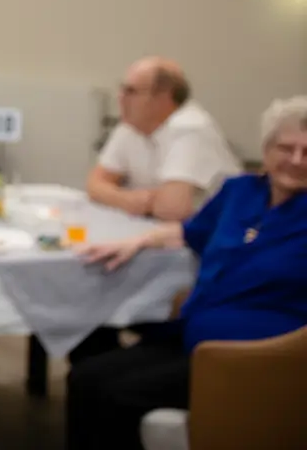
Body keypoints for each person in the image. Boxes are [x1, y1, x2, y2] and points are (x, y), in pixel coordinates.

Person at [69, 96, 307, 450]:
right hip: (193, 336)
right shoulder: (239, 191)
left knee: (119, 397)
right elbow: (189, 230)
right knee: (86, 378)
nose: (297, 160)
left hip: (257, 361)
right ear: (267, 148)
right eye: (286, 148)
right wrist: (138, 241)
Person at [88, 57, 238, 221]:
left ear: (163, 98)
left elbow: (172, 210)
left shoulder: (191, 128)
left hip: (214, 233)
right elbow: (95, 184)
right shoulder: (130, 127)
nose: (120, 97)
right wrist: (129, 200)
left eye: (131, 91)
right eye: (122, 89)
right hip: (158, 226)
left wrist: (118, 196)